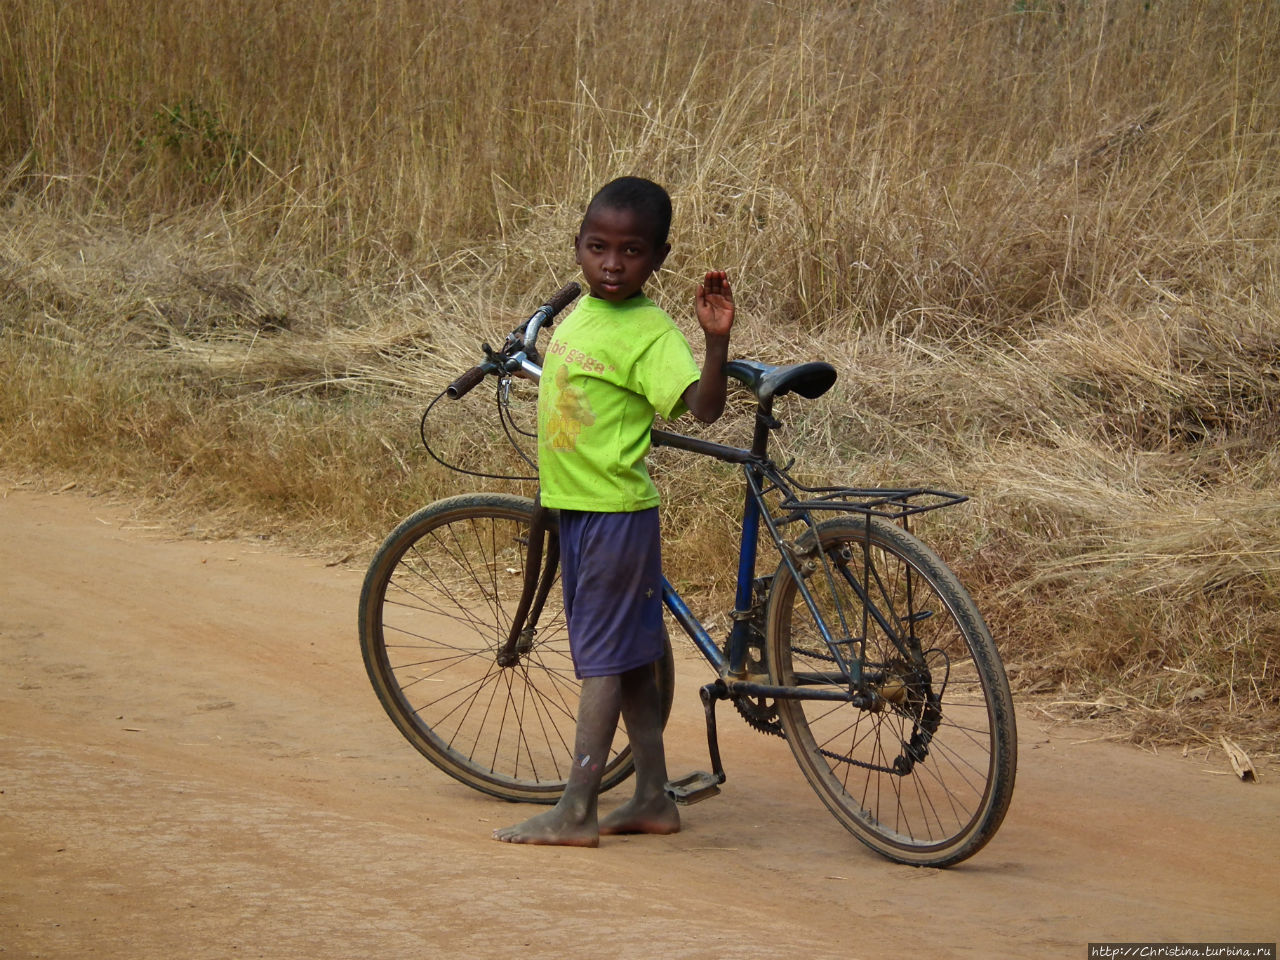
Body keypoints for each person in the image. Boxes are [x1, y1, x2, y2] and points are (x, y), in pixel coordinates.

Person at [493, 176, 735, 847]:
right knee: (628, 657)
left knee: (600, 658)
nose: (611, 263)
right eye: (598, 246)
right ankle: (653, 795)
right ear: (578, 245)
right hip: (581, 506)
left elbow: (705, 408)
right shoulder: (584, 313)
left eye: (631, 252)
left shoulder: (651, 333)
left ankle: (576, 807)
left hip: (612, 516)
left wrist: (714, 343)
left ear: (658, 257)